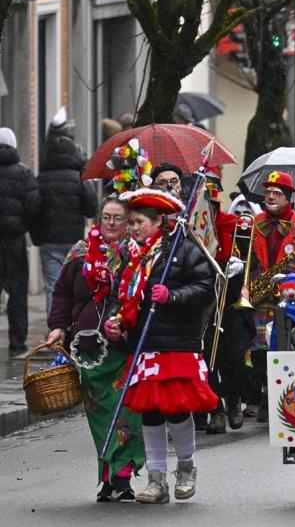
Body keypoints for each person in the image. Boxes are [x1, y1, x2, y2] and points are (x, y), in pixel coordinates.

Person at [106, 188, 217, 503]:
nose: (133, 228)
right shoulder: (133, 256)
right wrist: (117, 321)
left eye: (139, 222)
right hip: (146, 343)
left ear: (158, 222)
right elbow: (123, 295)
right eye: (131, 223)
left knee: (177, 410)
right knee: (151, 413)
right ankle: (156, 480)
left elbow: (205, 288)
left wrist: (173, 296)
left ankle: (186, 468)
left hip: (178, 342)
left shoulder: (183, 251)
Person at [44, 195, 144, 501]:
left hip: (123, 347)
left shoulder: (136, 253)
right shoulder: (80, 252)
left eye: (118, 218)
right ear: (98, 219)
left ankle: (124, 474)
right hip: (87, 349)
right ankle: (107, 476)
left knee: (127, 413)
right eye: (106, 217)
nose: (112, 223)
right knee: (100, 414)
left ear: (128, 222)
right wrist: (58, 326)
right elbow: (61, 294)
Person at [242, 171, 295, 422]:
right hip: (260, 297)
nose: (271, 196)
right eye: (268, 192)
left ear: (288, 197)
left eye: (277, 193)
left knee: (288, 347)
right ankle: (265, 396)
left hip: (291, 298)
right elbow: (244, 257)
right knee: (261, 350)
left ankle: (289, 394)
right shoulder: (253, 224)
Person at [35, 112, 95, 313]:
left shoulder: (40, 179)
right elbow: (91, 208)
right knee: (74, 286)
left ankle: (55, 329)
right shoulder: (80, 178)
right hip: (73, 240)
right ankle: (71, 326)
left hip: (49, 241)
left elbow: (34, 211)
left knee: (53, 287)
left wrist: (37, 238)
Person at [0, 126, 40, 359]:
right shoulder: (24, 173)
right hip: (15, 240)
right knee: (17, 293)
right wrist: (25, 225)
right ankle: (17, 344)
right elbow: (34, 204)